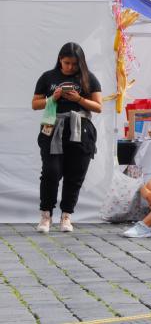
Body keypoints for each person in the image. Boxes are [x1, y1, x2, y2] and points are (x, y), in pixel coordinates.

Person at [32, 42, 102, 233]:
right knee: (50, 172)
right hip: (52, 128)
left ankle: (66, 216)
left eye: (74, 64)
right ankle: (46, 215)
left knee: (75, 174)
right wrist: (51, 99)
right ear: (60, 60)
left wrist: (79, 100)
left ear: (81, 63)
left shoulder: (89, 79)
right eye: (66, 63)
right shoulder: (48, 77)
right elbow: (35, 104)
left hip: (81, 129)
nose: (70, 67)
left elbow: (98, 107)